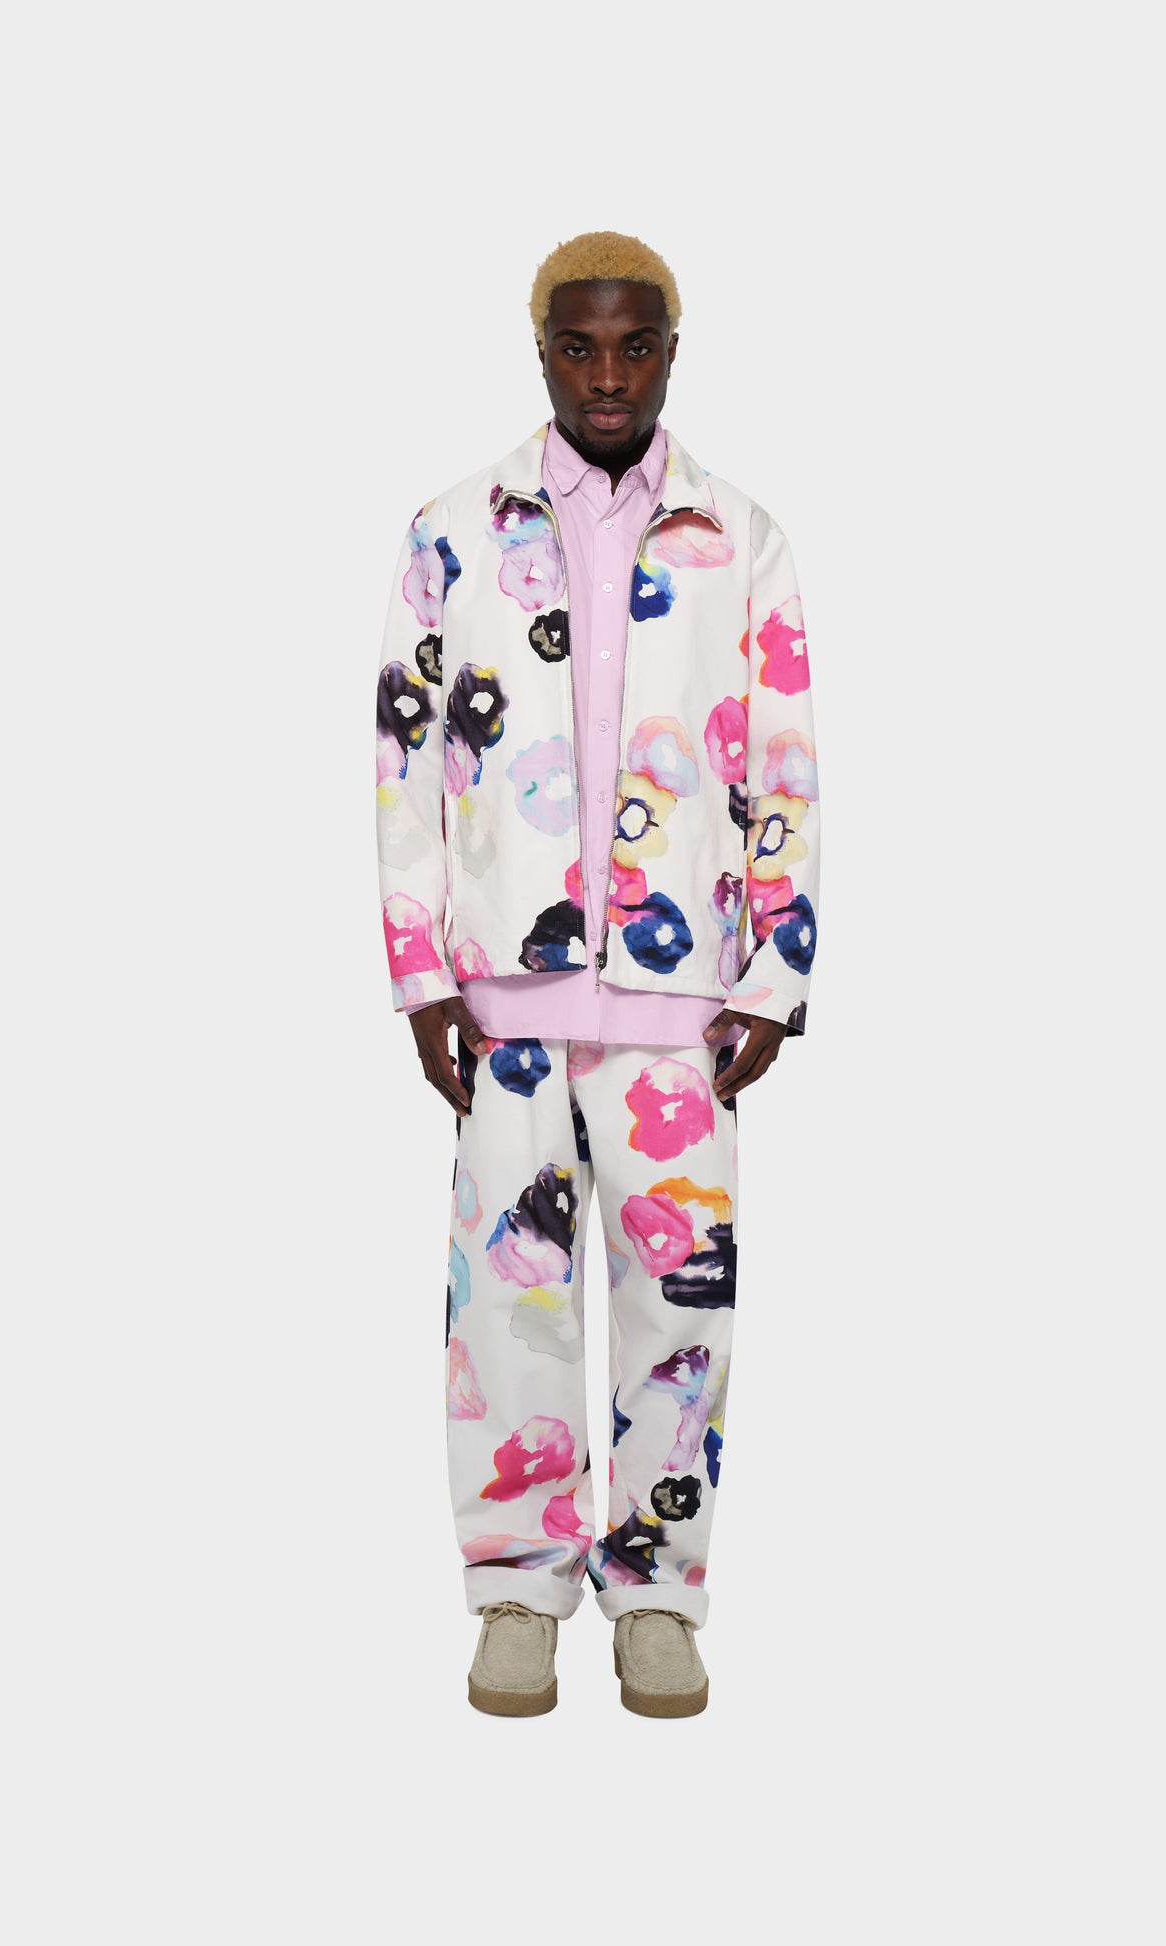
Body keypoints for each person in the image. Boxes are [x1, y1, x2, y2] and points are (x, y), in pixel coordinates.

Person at [373, 231, 821, 1717]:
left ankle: (658, 1595)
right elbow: (405, 764)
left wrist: (772, 974)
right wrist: (420, 972)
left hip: (682, 1008)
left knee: (677, 1315)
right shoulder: (452, 531)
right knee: (508, 1313)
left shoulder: (739, 536)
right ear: (544, 353)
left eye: (635, 348)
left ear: (671, 353)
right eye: (581, 348)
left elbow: (782, 762)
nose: (608, 375)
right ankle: (516, 1589)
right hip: (503, 1001)